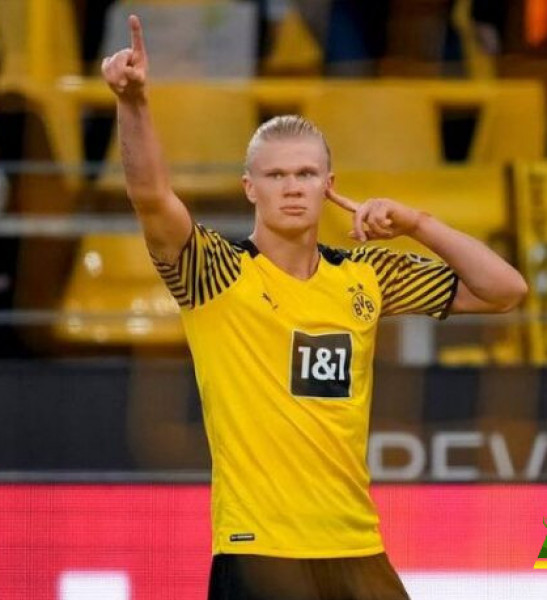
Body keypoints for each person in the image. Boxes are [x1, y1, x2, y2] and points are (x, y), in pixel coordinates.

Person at [101, 15, 528, 600]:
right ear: (250, 187)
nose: (292, 186)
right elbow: (152, 197)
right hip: (260, 553)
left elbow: (505, 290)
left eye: (306, 173)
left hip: (356, 550)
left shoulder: (364, 274)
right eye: (276, 175)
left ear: (329, 183)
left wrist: (417, 223)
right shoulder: (216, 274)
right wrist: (133, 102)